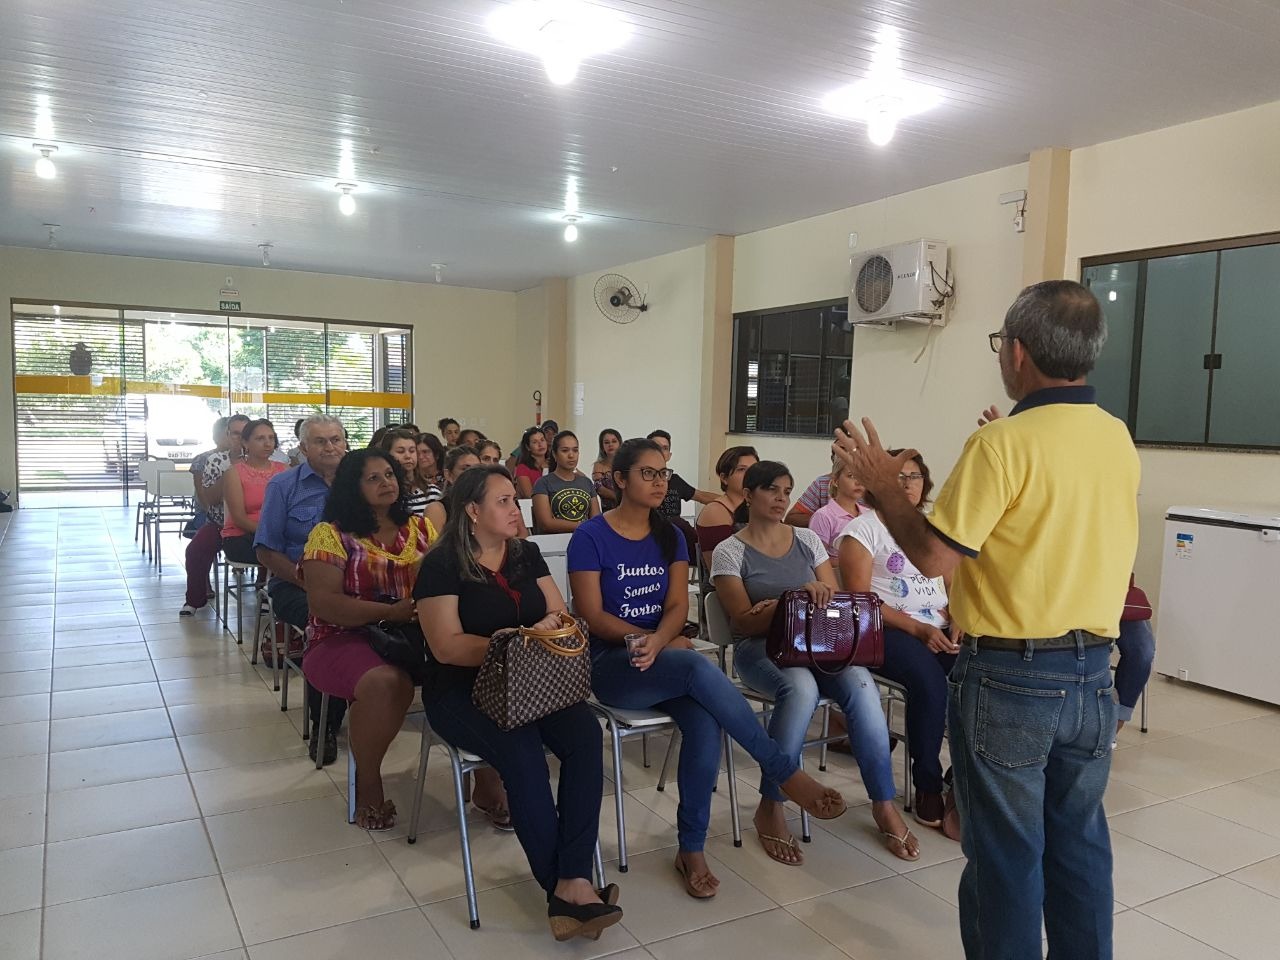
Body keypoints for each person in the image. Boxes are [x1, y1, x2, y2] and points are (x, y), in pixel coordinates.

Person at [833, 280, 1138, 960]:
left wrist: (885, 489)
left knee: (1005, 856)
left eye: (1002, 344)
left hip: (1012, 679)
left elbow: (934, 557)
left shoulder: (1001, 444)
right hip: (1092, 677)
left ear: (1020, 352)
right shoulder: (1115, 436)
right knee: (1080, 844)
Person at [569, 438, 847, 900]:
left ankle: (691, 848)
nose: (660, 482)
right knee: (695, 668)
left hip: (661, 657)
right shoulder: (591, 537)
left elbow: (680, 605)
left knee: (704, 725)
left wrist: (661, 639)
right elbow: (592, 614)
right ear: (620, 480)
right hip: (613, 663)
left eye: (663, 473)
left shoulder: (671, 535)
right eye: (647, 474)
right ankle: (782, 769)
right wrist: (649, 641)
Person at [416, 466, 622, 941]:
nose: (517, 508)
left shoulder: (524, 554)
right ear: (472, 511)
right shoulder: (442, 563)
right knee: (522, 749)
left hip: (531, 681)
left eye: (515, 499)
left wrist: (545, 630)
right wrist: (512, 641)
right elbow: (446, 646)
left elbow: (558, 611)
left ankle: (571, 880)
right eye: (504, 501)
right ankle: (566, 888)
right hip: (461, 689)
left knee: (585, 735)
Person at [713, 461, 920, 865]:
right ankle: (771, 803)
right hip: (761, 649)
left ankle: (883, 802)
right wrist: (793, 597)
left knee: (863, 686)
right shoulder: (730, 550)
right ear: (750, 494)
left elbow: (834, 597)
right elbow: (740, 620)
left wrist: (818, 593)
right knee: (801, 688)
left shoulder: (807, 540)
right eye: (771, 489)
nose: (781, 499)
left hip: (816, 644)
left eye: (787, 491)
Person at [299, 449, 436, 829]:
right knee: (387, 683)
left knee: (476, 663)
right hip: (341, 637)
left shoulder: (422, 529)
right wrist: (387, 613)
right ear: (352, 488)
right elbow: (324, 604)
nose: (386, 483)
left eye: (389, 474)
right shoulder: (331, 534)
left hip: (411, 635)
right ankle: (368, 780)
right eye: (373, 478)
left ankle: (486, 780)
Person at [835, 449, 959, 839]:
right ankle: (926, 783)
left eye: (915, 476)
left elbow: (955, 586)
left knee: (979, 675)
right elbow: (859, 601)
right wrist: (919, 630)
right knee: (929, 682)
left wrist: (959, 618)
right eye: (899, 476)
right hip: (884, 630)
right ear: (879, 484)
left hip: (940, 627)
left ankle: (964, 777)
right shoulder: (862, 531)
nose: (907, 484)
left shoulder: (936, 527)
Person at [254, 414, 351, 764]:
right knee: (326, 623)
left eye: (336, 439)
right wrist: (307, 581)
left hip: (354, 584)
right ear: (304, 447)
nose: (330, 447)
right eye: (321, 441)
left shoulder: (358, 483)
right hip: (295, 583)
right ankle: (323, 723)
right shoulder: (285, 486)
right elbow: (266, 549)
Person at [181, 416, 242, 616]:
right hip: (219, 521)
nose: (239, 439)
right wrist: (231, 470)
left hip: (254, 523)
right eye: (235, 433)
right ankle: (195, 598)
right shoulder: (214, 460)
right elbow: (208, 498)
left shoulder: (269, 462)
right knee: (195, 550)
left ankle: (264, 590)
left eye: (245, 434)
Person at [221, 419, 288, 564]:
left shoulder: (284, 470)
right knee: (284, 555)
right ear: (245, 443)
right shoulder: (234, 473)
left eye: (271, 438)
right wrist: (272, 534)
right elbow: (239, 519)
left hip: (279, 534)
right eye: (260, 438)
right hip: (242, 536)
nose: (267, 443)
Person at [694, 445, 758, 569]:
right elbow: (723, 566)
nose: (750, 475)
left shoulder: (760, 507)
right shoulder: (715, 510)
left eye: (754, 469)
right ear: (724, 478)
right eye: (741, 469)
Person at [531, 430, 600, 534]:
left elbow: (596, 520)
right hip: (553, 544)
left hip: (585, 539)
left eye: (575, 450)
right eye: (565, 451)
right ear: (554, 454)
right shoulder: (543, 483)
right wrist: (583, 526)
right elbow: (545, 524)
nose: (571, 455)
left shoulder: (586, 482)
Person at [809, 463, 871, 562]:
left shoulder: (869, 514)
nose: (858, 482)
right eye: (851, 476)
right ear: (835, 481)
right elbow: (816, 559)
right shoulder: (823, 516)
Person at [378, 428, 428, 515]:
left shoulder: (431, 492)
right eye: (400, 451)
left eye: (412, 451)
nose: (408, 456)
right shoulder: (382, 492)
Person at [784, 453, 839, 527]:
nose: (847, 455)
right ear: (833, 459)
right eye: (841, 450)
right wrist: (824, 519)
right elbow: (791, 519)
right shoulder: (822, 483)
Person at [513, 426, 549, 499]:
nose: (540, 444)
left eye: (542, 440)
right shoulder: (522, 468)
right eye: (535, 442)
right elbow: (530, 496)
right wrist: (545, 471)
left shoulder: (554, 463)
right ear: (528, 447)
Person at [590, 429, 622, 510]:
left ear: (620, 444)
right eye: (607, 442)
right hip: (608, 511)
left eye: (614, 441)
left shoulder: (627, 464)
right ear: (602, 447)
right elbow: (599, 489)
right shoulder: (598, 465)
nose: (610, 445)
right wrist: (619, 497)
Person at [416, 432, 446, 497]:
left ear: (437, 454)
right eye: (417, 453)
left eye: (425, 452)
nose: (420, 457)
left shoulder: (447, 476)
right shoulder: (412, 480)